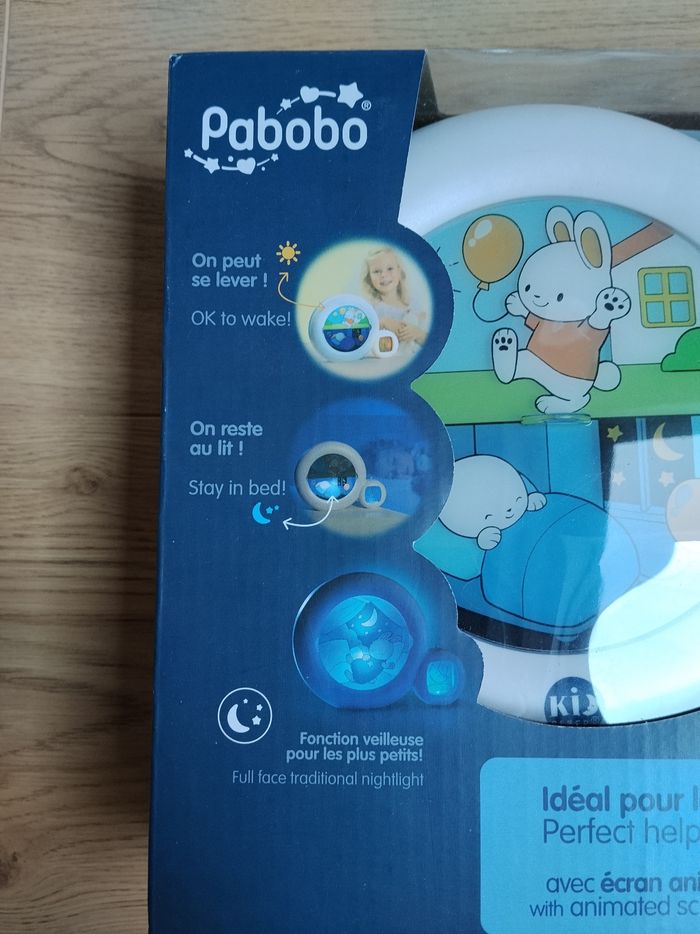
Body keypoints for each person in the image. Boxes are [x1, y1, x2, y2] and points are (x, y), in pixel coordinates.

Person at [361, 247, 427, 348]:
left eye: (390, 269)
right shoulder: (369, 307)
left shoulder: (413, 304)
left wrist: (418, 333)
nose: (383, 275)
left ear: (399, 271)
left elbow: (432, 341)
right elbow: (360, 337)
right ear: (369, 277)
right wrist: (382, 323)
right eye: (376, 271)